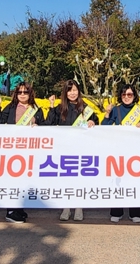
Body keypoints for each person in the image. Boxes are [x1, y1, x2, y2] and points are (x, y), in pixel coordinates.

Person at [43, 80, 98, 221]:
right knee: (66, 179)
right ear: (65, 92)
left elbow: (96, 122)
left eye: (74, 90)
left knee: (79, 179)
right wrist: (51, 106)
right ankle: (66, 207)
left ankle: (79, 207)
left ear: (78, 91)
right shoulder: (60, 108)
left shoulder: (86, 108)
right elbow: (49, 123)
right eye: (69, 90)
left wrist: (92, 122)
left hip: (81, 149)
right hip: (65, 149)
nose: (72, 93)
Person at [0, 82, 44, 223]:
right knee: (13, 179)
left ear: (30, 94)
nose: (22, 95)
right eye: (19, 92)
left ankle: (19, 208)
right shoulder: (11, 107)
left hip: (31, 150)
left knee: (25, 180)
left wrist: (39, 127)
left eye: (25, 92)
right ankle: (11, 210)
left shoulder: (36, 109)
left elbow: (45, 125)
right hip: (14, 150)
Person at [102, 83, 140, 223]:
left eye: (130, 94)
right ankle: (117, 211)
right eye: (124, 94)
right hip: (118, 150)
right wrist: (107, 114)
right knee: (117, 182)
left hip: (135, 151)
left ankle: (135, 213)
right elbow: (104, 127)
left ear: (134, 95)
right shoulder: (116, 109)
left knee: (135, 181)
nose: (127, 97)